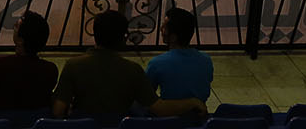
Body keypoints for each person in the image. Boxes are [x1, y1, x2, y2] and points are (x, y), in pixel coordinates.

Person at [50, 9, 206, 120]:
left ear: (95, 34)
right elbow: (158, 107)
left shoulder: (73, 65)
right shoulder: (133, 70)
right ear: (123, 39)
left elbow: (58, 111)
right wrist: (193, 102)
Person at [145, 7, 213, 104]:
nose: (161, 29)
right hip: (199, 112)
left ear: (173, 37)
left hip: (168, 112)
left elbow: (146, 95)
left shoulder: (156, 63)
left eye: (164, 27)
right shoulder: (206, 60)